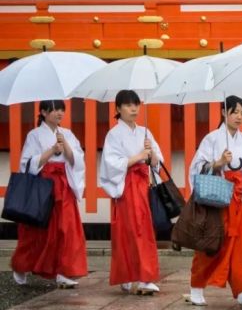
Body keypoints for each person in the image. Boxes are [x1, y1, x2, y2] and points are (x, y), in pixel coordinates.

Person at [186, 96, 242, 309]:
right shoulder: (211, 139)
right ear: (223, 113)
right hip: (219, 199)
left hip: (241, 200)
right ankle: (197, 287)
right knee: (212, 243)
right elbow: (196, 167)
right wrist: (218, 163)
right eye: (234, 112)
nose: (239, 117)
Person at [10, 100, 87, 288]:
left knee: (65, 228)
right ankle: (22, 265)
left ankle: (63, 271)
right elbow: (26, 164)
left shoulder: (67, 133)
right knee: (37, 231)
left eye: (61, 109)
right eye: (54, 109)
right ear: (43, 112)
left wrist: (65, 146)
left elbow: (77, 160)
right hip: (43, 186)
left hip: (64, 186)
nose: (59, 113)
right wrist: (52, 150)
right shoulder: (34, 135)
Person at [99, 90, 163, 295]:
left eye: (136, 104)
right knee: (130, 231)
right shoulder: (114, 134)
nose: (134, 108)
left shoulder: (145, 132)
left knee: (144, 231)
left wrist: (151, 152)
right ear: (118, 109)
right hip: (126, 186)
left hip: (144, 185)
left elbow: (157, 163)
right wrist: (138, 156)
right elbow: (111, 164)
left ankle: (145, 277)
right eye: (128, 105)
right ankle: (130, 274)